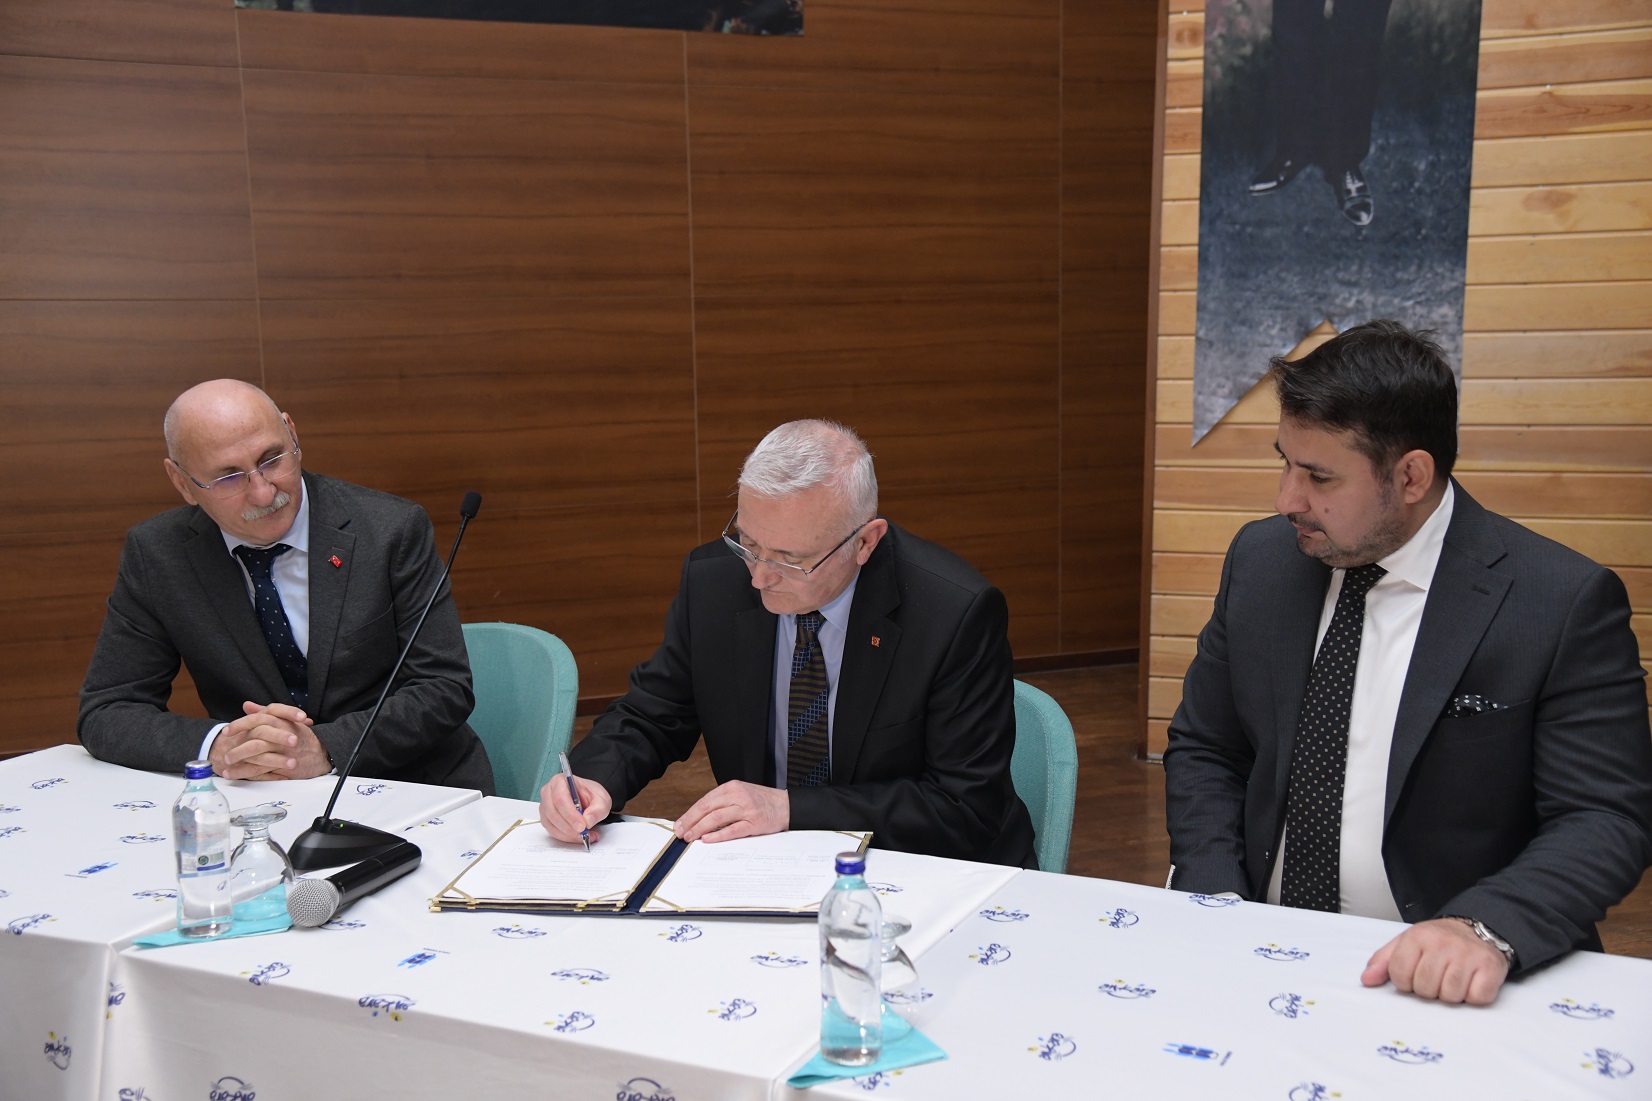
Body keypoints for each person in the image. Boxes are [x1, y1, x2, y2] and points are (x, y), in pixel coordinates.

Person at [1163, 320, 1652, 1005]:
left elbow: (1604, 816)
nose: (1286, 499)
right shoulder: (1263, 561)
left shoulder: (1557, 602)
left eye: (1319, 476)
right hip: (1258, 947)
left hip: (1443, 974)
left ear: (1412, 475)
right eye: (1285, 462)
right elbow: (1206, 747)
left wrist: (1482, 928)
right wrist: (1215, 895)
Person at [540, 419, 1035, 866]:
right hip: (769, 867)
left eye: (790, 559)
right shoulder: (715, 582)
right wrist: (591, 780)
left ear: (865, 542)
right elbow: (652, 715)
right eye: (749, 544)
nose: (759, 578)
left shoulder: (952, 614)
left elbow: (963, 807)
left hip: (920, 868)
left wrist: (790, 809)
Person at [78, 379, 493, 792]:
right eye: (229, 478)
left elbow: (444, 687)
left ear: (292, 435)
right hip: (259, 797)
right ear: (182, 483)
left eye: (272, 459)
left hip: (410, 786)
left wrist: (325, 747)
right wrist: (219, 745)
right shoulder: (158, 554)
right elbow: (107, 710)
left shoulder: (389, 530)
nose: (263, 493)